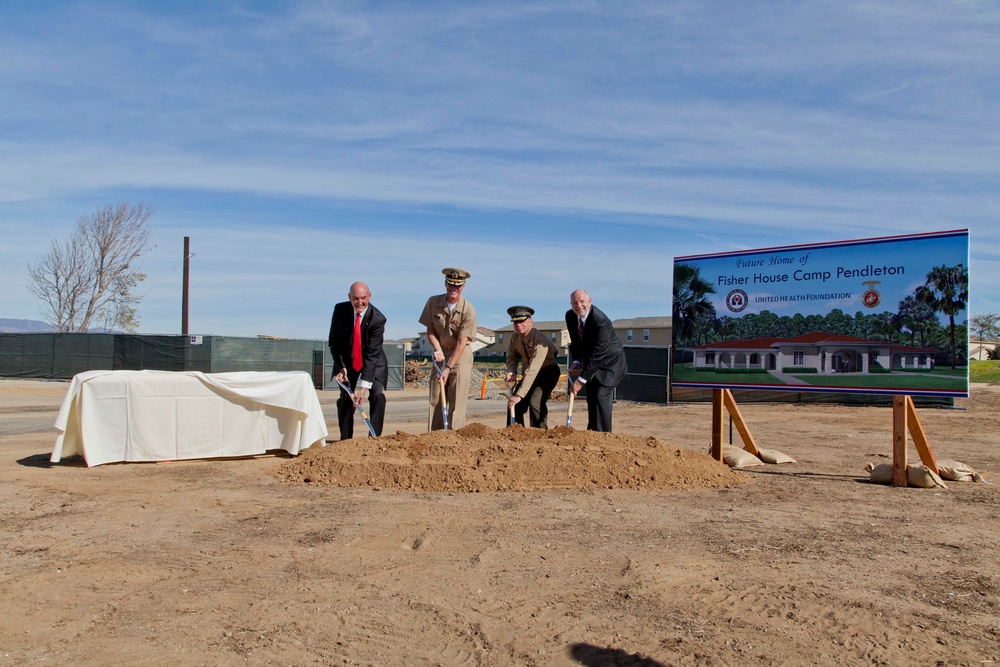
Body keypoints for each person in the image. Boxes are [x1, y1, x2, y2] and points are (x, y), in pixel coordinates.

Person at [328, 281, 388, 439]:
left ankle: (374, 436)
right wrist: (341, 367)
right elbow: (334, 342)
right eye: (355, 299)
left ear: (369, 296)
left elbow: (372, 354)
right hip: (347, 361)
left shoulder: (378, 319)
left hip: (372, 361)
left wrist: (364, 387)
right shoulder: (340, 311)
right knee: (346, 397)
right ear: (349, 297)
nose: (359, 302)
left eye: (363, 298)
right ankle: (346, 439)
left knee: (376, 394)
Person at [419, 268, 477, 430]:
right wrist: (437, 350)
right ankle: (435, 434)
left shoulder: (468, 310)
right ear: (445, 284)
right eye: (451, 285)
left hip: (461, 355)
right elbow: (430, 330)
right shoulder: (433, 302)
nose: (454, 289)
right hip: (441, 352)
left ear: (463, 287)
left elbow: (461, 341)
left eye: (458, 286)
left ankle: (455, 436)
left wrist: (449, 367)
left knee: (457, 399)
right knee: (436, 396)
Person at [565, 289, 627, 432]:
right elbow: (576, 342)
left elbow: (599, 354)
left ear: (590, 301)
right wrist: (577, 361)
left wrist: (580, 381)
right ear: (571, 304)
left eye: (582, 301)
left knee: (600, 397)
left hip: (611, 364)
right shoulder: (570, 316)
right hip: (591, 362)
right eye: (575, 302)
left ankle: (604, 437)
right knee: (592, 398)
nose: (579, 305)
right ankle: (592, 433)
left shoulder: (601, 321)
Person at [504, 305, 561, 429]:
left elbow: (534, 367)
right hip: (529, 373)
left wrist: (519, 394)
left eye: (522, 321)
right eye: (515, 322)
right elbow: (512, 356)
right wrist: (511, 370)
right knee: (514, 404)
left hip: (547, 373)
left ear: (530, 322)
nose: (518, 325)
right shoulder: (515, 337)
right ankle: (516, 432)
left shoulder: (540, 340)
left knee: (535, 403)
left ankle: (540, 433)